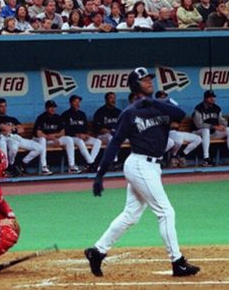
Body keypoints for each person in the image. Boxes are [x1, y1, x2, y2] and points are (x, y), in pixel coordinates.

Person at [85, 67, 200, 278]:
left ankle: (97, 251)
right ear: (135, 85)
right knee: (166, 212)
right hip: (139, 164)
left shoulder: (162, 105)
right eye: (144, 79)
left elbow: (181, 115)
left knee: (130, 215)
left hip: (152, 167)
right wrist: (100, 175)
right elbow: (115, 143)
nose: (149, 81)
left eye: (150, 78)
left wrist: (154, 102)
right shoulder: (129, 113)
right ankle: (177, 262)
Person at [0, 98, 51, 176]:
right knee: (13, 149)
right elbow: (4, 128)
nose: (4, 108)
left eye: (5, 106)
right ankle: (11, 166)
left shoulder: (12, 118)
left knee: (39, 148)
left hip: (17, 138)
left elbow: (21, 129)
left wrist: (11, 129)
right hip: (7, 139)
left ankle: (22, 163)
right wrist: (13, 128)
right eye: (1, 106)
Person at [155, 91, 202, 167]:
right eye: (161, 97)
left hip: (176, 132)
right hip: (167, 133)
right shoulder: (156, 109)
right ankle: (172, 157)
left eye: (165, 97)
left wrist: (175, 124)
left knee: (198, 139)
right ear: (157, 99)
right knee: (178, 140)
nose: (164, 98)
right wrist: (170, 125)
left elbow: (179, 119)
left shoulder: (171, 107)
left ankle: (180, 155)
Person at [33, 100, 80, 173]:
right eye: (50, 107)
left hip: (53, 140)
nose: (53, 109)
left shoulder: (58, 117)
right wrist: (49, 137)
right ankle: (43, 167)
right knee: (42, 140)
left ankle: (71, 166)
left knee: (69, 139)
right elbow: (39, 134)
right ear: (46, 108)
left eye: (54, 107)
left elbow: (62, 132)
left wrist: (55, 136)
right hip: (41, 140)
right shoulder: (41, 118)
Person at [191, 90, 229, 166]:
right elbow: (198, 124)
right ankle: (206, 158)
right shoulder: (198, 108)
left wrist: (224, 126)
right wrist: (214, 126)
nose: (212, 99)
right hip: (197, 133)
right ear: (205, 98)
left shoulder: (217, 108)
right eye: (210, 97)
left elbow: (221, 120)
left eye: (213, 97)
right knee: (206, 130)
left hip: (212, 132)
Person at [62, 95, 102, 172]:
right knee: (80, 141)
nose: (78, 104)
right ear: (70, 103)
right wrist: (77, 134)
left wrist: (86, 134)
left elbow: (85, 127)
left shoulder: (82, 114)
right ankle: (91, 163)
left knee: (98, 141)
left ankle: (89, 163)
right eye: (75, 102)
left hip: (82, 136)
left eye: (79, 102)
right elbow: (65, 130)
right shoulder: (65, 114)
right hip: (72, 137)